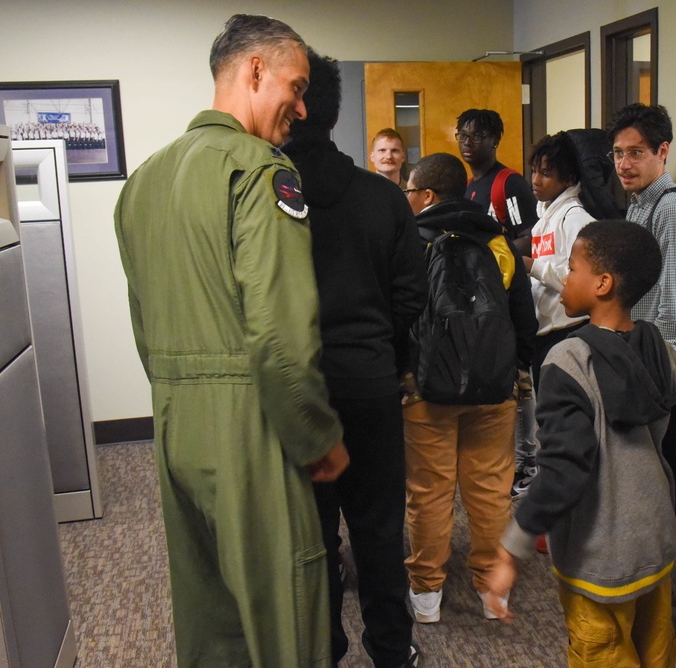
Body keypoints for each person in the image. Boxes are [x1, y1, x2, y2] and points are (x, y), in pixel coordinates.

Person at [114, 14, 349, 667]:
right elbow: (278, 334)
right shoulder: (258, 169)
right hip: (247, 424)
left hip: (171, 423)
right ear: (253, 71)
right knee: (286, 622)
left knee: (210, 619)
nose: (302, 108)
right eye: (295, 87)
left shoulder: (144, 181)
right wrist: (315, 435)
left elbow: (141, 318)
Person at [485, 220, 676, 667]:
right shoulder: (666, 355)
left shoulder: (567, 361)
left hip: (597, 560)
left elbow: (563, 468)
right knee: (656, 652)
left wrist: (511, 548)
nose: (564, 278)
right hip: (656, 544)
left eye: (572, 268)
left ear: (603, 284)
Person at [283, 50, 426, 668]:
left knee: (311, 535)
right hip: (369, 386)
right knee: (377, 530)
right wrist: (387, 362)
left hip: (298, 392)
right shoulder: (383, 198)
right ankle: (393, 650)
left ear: (292, 106)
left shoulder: (265, 195)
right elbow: (411, 298)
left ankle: (325, 649)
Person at [401, 152, 537, 624]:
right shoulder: (496, 240)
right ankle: (487, 586)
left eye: (411, 191)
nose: (408, 198)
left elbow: (400, 316)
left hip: (427, 390)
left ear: (429, 195)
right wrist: (516, 373)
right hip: (494, 389)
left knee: (430, 491)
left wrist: (405, 374)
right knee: (490, 488)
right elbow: (524, 318)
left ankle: (426, 595)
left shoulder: (413, 240)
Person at [608, 103, 676, 453]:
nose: (624, 164)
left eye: (636, 153)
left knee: (664, 489)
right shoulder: (640, 202)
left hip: (666, 374)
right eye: (618, 153)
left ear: (663, 151)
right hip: (645, 363)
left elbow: (674, 308)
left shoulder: (672, 210)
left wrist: (658, 384)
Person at [511, 132, 595, 501]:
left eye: (546, 173)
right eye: (534, 171)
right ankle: (550, 494)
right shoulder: (546, 215)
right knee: (547, 422)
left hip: (566, 334)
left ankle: (561, 499)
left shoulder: (575, 218)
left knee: (558, 424)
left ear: (569, 178)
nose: (536, 180)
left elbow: (580, 277)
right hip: (543, 334)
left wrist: (532, 266)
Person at [457, 109, 538, 249]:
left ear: (494, 141)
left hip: (502, 269)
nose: (467, 143)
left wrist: (493, 259)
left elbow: (529, 238)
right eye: (463, 136)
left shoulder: (509, 183)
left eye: (476, 136)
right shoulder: (467, 186)